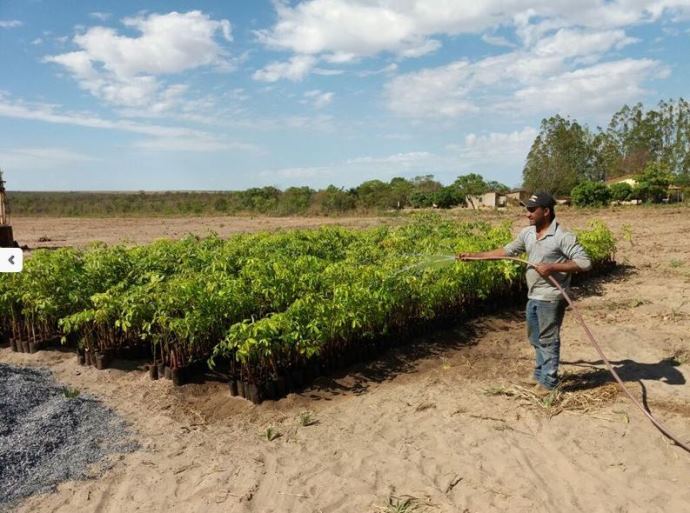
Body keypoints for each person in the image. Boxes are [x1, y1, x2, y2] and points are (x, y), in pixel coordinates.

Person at [457, 192, 592, 392]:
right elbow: (506, 251)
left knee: (548, 339)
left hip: (551, 297)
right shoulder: (528, 233)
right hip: (533, 295)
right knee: (535, 338)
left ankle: (549, 382)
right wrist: (474, 256)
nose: (527, 214)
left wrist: (552, 267)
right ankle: (539, 374)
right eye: (526, 209)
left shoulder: (562, 237)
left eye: (531, 210)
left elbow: (585, 263)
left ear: (546, 211)